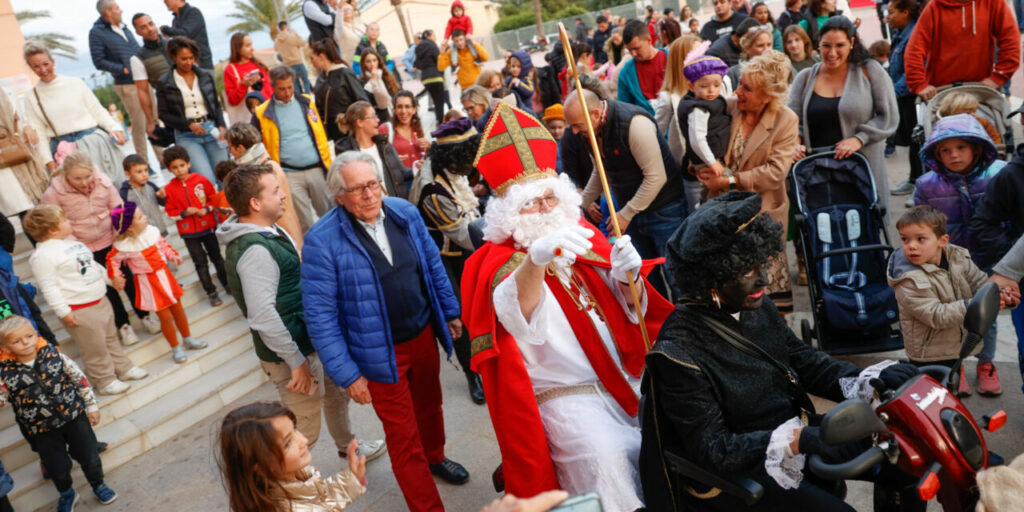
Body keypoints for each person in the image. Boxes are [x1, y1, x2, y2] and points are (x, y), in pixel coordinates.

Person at [638, 191, 924, 512]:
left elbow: (807, 364)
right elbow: (715, 450)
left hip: (796, 432)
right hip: (745, 470)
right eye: (747, 272)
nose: (762, 280)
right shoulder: (677, 353)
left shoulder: (755, 305)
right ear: (711, 280)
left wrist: (871, 378)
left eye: (761, 265)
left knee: (907, 457)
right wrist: (798, 440)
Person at [461, 102, 674, 508]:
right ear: (509, 212)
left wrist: (630, 277)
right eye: (533, 203)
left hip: (626, 376)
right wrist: (534, 262)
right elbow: (517, 317)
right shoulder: (492, 262)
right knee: (605, 456)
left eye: (550, 199)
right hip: (565, 395)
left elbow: (631, 313)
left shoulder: (581, 232)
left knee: (679, 426)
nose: (545, 209)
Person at [301, 151, 471, 512]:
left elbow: (432, 267)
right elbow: (320, 318)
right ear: (339, 195)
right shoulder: (322, 240)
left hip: (422, 334)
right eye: (358, 188)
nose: (369, 194)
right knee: (402, 436)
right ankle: (428, 507)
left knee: (430, 407)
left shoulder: (405, 213)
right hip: (377, 355)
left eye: (373, 184)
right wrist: (348, 374)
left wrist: (450, 312)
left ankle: (436, 458)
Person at [219, 165, 384, 470]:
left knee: (336, 397)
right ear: (255, 203)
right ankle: (295, 487)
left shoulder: (268, 230)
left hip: (308, 340)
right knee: (301, 429)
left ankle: (348, 448)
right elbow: (264, 316)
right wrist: (296, 362)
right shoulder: (255, 249)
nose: (283, 195)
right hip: (291, 356)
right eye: (275, 190)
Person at [911, 115, 1005, 394]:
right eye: (945, 150)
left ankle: (986, 364)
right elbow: (919, 223)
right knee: (953, 317)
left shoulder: (999, 174)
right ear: (936, 153)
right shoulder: (927, 184)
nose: (953, 155)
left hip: (990, 258)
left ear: (976, 148)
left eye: (961, 148)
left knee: (986, 315)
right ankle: (957, 366)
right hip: (947, 263)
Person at [701, 51, 800, 314]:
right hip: (723, 217)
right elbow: (703, 147)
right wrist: (699, 168)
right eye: (739, 83)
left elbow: (775, 172)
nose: (737, 91)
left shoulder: (785, 120)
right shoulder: (728, 107)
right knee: (730, 295)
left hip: (762, 218)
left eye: (747, 88)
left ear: (768, 96)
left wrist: (728, 181)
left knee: (768, 300)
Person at [562, 90, 686, 299]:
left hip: (665, 209)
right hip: (632, 211)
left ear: (595, 113)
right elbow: (599, 170)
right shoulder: (588, 130)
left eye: (577, 125)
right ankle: (661, 324)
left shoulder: (634, 124)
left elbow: (656, 177)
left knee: (676, 276)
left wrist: (626, 214)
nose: (573, 131)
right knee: (645, 278)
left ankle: (688, 324)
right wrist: (578, 204)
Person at [23, 204, 148, 396]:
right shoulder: (43, 256)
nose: (69, 221)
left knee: (110, 338)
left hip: (100, 300)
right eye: (64, 220)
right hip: (80, 309)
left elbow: (93, 266)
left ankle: (124, 368)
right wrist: (63, 312)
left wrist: (110, 280)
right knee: (94, 347)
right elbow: (49, 287)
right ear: (52, 229)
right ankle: (104, 380)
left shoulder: (74, 244)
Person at [0, 315, 119, 511]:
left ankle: (98, 484)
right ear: (5, 348)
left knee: (89, 456)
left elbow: (79, 379)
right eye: (16, 341)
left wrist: (91, 406)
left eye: (29, 336)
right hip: (42, 429)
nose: (25, 343)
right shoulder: (5, 373)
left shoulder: (55, 356)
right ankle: (67, 493)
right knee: (57, 467)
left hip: (74, 417)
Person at [407, 118, 484, 404]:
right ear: (456, 157)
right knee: (458, 316)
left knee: (479, 306)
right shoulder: (432, 190)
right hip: (442, 258)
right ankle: (471, 373)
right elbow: (464, 235)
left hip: (463, 247)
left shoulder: (451, 168)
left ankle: (485, 359)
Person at [39, 152, 153, 345]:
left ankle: (145, 315)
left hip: (112, 241)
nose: (84, 182)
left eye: (87, 176)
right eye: (77, 178)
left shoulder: (104, 182)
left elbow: (117, 209)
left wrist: (120, 233)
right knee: (107, 287)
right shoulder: (53, 193)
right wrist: (76, 247)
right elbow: (55, 222)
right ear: (66, 175)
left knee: (129, 279)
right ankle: (124, 326)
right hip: (83, 248)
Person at [789, 17, 898, 214]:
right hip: (817, 178)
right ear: (817, 45)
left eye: (840, 45)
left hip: (862, 173)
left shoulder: (869, 70)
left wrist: (859, 138)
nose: (832, 53)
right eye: (826, 46)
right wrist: (795, 144)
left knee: (866, 230)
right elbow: (791, 122)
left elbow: (888, 116)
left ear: (852, 43)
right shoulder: (804, 78)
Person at [888, 206, 1001, 392]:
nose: (911, 246)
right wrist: (973, 304)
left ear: (942, 241)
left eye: (920, 239)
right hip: (929, 352)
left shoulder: (957, 257)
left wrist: (998, 296)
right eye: (904, 239)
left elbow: (979, 282)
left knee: (950, 390)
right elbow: (936, 315)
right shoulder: (907, 278)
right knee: (931, 396)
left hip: (954, 342)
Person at [218, 402, 368, 512]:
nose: (303, 441)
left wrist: (352, 477)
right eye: (287, 443)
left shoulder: (294, 476)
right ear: (261, 467)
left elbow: (323, 500)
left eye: (294, 429)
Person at [106, 202, 208, 363]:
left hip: (165, 276)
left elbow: (164, 246)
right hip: (148, 282)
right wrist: (116, 276)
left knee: (179, 309)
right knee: (165, 317)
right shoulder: (123, 246)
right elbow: (112, 260)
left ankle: (188, 339)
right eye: (140, 217)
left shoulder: (152, 232)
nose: (145, 217)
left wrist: (172, 255)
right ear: (130, 227)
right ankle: (175, 347)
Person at [23, 42, 127, 183]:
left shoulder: (75, 83)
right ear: (31, 68)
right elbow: (39, 132)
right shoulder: (31, 96)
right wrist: (48, 161)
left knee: (109, 188)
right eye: (36, 66)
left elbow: (97, 110)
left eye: (46, 64)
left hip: (92, 142)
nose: (42, 69)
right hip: (62, 150)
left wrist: (115, 129)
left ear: (53, 62)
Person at [253, 65, 333, 233]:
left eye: (290, 87)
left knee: (330, 215)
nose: (287, 92)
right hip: (289, 174)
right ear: (273, 87)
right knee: (304, 222)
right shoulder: (262, 112)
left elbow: (319, 131)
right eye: (282, 89)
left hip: (317, 168)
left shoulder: (306, 102)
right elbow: (255, 145)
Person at [904, 0, 1019, 102]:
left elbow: (1011, 41)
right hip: (941, 94)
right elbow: (914, 49)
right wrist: (919, 84)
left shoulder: (993, 3)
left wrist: (999, 77)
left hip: (981, 92)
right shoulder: (934, 7)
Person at [156, 36, 228, 185]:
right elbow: (163, 114)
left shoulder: (205, 76)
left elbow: (215, 104)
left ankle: (228, 208)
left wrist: (221, 126)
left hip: (211, 130)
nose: (189, 62)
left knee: (225, 177)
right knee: (205, 180)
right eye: (184, 59)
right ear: (174, 57)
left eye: (191, 58)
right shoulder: (164, 83)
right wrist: (187, 125)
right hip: (186, 135)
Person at [162, 146, 229, 307]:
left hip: (208, 227)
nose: (179, 170)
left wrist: (206, 209)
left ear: (189, 163)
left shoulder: (201, 180)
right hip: (188, 233)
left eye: (182, 165)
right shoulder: (169, 189)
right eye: (174, 167)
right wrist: (184, 212)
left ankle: (228, 285)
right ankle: (211, 293)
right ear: (169, 169)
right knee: (200, 263)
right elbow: (170, 212)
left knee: (218, 258)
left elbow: (213, 199)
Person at [224, 122, 304, 248]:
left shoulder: (268, 168)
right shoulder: (261, 166)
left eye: (230, 147)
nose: (230, 152)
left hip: (285, 235)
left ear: (240, 147)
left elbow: (278, 208)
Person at [89, 0, 150, 160]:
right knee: (139, 124)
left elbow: (136, 48)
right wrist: (122, 69)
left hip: (143, 79)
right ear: (108, 12)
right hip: (126, 83)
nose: (121, 10)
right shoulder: (96, 32)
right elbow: (98, 61)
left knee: (153, 120)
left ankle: (163, 159)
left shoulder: (125, 27)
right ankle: (143, 162)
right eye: (117, 8)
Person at [678, 41, 733, 208]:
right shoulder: (698, 109)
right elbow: (696, 139)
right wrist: (711, 162)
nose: (711, 91)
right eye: (704, 86)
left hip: (714, 154)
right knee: (721, 187)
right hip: (707, 158)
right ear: (691, 86)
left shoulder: (713, 100)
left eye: (717, 85)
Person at [335, 101, 411, 199]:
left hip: (393, 206)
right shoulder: (347, 153)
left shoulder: (384, 144)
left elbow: (403, 174)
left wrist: (418, 167)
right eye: (373, 117)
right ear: (360, 122)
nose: (378, 120)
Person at [886, 0, 923, 196]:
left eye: (892, 12)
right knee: (912, 140)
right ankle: (915, 180)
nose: (887, 16)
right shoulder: (901, 34)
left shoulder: (913, 35)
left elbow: (911, 74)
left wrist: (889, 95)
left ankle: (919, 184)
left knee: (917, 140)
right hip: (904, 96)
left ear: (905, 12)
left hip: (911, 97)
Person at [0, 85, 48, 226]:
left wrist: (28, 127)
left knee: (39, 204)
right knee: (25, 211)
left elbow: (23, 117)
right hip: (4, 163)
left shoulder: (6, 88)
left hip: (22, 151)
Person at [128, 12, 170, 165]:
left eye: (151, 24)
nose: (150, 29)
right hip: (172, 110)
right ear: (138, 32)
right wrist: (151, 121)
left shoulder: (174, 44)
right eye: (143, 27)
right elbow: (143, 91)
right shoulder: (137, 59)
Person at [309, 40, 369, 144]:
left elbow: (362, 101)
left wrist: (350, 120)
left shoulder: (344, 73)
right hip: (334, 133)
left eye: (312, 58)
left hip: (350, 130)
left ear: (321, 57)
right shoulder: (321, 78)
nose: (311, 62)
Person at [617, 19, 668, 117]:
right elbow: (625, 110)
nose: (633, 54)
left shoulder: (671, 60)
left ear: (649, 40)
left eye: (636, 48)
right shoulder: (625, 74)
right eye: (629, 50)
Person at [224, 32, 274, 126]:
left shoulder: (258, 63)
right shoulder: (230, 69)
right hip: (252, 120)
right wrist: (243, 85)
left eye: (251, 44)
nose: (252, 48)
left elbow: (270, 89)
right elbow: (232, 100)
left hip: (271, 114)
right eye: (247, 45)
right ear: (238, 48)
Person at [120, 154, 168, 236]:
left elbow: (164, 203)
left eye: (146, 170)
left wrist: (162, 197)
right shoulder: (124, 193)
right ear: (127, 174)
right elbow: (125, 218)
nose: (144, 174)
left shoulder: (151, 186)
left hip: (162, 231)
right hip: (143, 236)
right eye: (139, 172)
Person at [380, 91, 430, 169]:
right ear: (394, 110)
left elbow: (423, 154)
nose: (403, 111)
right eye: (399, 107)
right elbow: (379, 157)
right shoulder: (385, 129)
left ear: (414, 109)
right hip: (400, 179)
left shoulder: (416, 126)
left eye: (407, 106)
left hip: (419, 177)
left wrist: (428, 147)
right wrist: (392, 159)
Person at [160, 0, 213, 69]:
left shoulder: (194, 12)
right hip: (187, 69)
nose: (164, 1)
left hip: (203, 65)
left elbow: (186, 33)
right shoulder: (175, 20)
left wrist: (166, 29)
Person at [724, 24, 777, 92]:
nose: (766, 49)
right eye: (760, 46)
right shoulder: (734, 74)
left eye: (769, 44)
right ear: (747, 48)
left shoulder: (779, 68)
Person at [439, 30, 489, 97]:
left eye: (461, 39)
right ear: (454, 42)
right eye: (456, 41)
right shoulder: (452, 53)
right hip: (465, 88)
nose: (459, 43)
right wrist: (442, 52)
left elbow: (486, 57)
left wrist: (473, 42)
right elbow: (441, 67)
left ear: (465, 39)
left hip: (479, 84)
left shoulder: (473, 48)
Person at [359, 48, 401, 122]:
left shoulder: (386, 75)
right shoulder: (362, 82)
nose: (372, 64)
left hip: (396, 114)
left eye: (374, 60)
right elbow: (367, 103)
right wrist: (373, 80)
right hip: (381, 119)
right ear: (364, 64)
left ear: (378, 61)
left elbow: (397, 92)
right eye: (368, 61)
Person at [416, 30, 447, 126]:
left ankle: (439, 120)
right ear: (429, 36)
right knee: (440, 100)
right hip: (436, 76)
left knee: (435, 99)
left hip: (425, 78)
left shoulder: (418, 48)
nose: (435, 37)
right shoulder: (433, 45)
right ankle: (440, 121)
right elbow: (439, 60)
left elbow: (417, 63)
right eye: (434, 35)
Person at [274, 21, 312, 95]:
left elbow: (276, 49)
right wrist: (297, 35)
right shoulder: (291, 36)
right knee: (305, 80)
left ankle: (300, 100)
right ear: (286, 27)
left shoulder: (277, 40)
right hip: (298, 62)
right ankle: (308, 97)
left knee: (295, 84)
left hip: (287, 65)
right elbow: (302, 43)